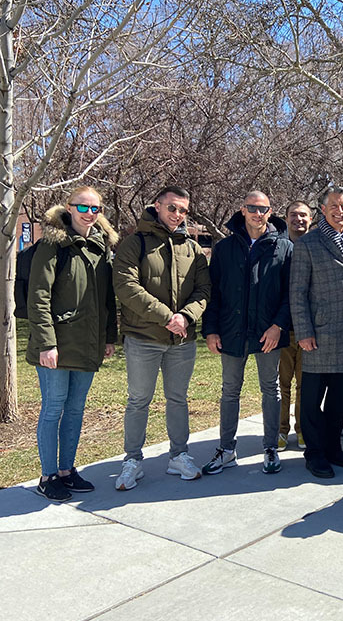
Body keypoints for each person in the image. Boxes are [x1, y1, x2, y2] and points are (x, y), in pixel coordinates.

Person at [113, 185, 210, 491]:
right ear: (156, 206)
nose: (177, 215)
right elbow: (126, 286)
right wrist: (167, 316)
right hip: (143, 338)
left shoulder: (193, 249)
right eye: (172, 208)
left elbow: (203, 291)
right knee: (139, 400)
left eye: (183, 210)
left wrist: (186, 316)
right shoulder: (134, 243)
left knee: (178, 400)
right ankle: (132, 461)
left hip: (181, 341)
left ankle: (179, 456)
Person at [27, 187, 117, 501]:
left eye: (96, 208)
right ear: (70, 207)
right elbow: (38, 296)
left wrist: (109, 336)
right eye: (83, 206)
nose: (90, 213)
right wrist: (46, 343)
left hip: (88, 342)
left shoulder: (101, 244)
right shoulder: (53, 243)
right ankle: (48, 476)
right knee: (53, 408)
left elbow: (107, 297)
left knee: (76, 409)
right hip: (57, 343)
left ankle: (67, 471)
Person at [201, 191, 293, 476]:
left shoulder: (284, 247)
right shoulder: (225, 247)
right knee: (230, 391)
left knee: (270, 389)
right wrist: (211, 330)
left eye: (262, 209)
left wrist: (278, 326)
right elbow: (212, 291)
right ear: (242, 210)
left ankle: (270, 448)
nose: (257, 213)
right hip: (232, 331)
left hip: (268, 332)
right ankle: (227, 449)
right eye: (252, 208)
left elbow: (291, 293)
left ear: (270, 212)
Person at [290, 185, 343, 479]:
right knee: (311, 401)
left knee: (340, 400)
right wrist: (304, 331)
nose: (340, 211)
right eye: (334, 206)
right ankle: (315, 453)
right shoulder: (308, 244)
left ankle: (334, 447)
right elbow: (297, 293)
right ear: (322, 210)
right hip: (319, 335)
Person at [278, 200, 312, 451]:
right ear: (286, 217)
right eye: (293, 215)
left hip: (309, 330)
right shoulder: (277, 245)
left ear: (311, 218)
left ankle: (302, 429)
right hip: (282, 328)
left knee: (304, 384)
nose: (299, 219)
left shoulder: (316, 245)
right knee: (281, 383)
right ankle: (280, 430)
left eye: (303, 215)